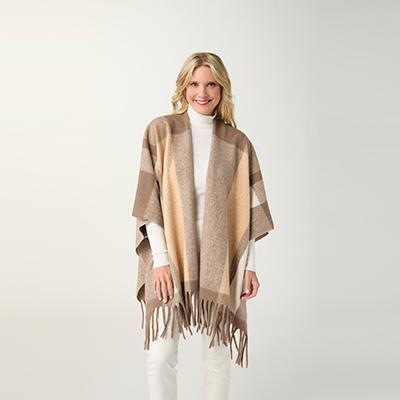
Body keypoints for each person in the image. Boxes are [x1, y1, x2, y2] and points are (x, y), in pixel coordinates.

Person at [132, 52, 274, 400]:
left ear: (222, 88)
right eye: (194, 83)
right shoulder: (161, 131)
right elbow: (150, 204)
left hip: (220, 259)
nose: (202, 92)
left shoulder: (237, 144)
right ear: (183, 87)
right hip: (170, 257)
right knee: (161, 356)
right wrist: (161, 260)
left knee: (218, 358)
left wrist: (249, 266)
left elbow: (245, 214)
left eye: (211, 84)